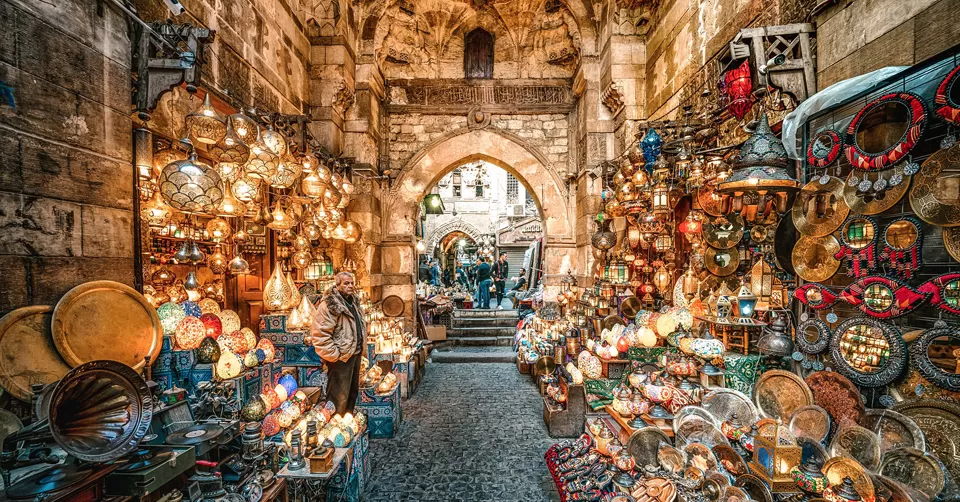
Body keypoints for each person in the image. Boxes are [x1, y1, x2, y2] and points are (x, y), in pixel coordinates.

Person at [309, 271, 366, 415]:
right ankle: (334, 425)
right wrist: (335, 355)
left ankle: (347, 423)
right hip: (341, 358)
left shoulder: (353, 301)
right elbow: (320, 334)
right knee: (338, 396)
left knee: (352, 392)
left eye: (352, 283)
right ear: (337, 285)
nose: (350, 286)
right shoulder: (330, 305)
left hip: (354, 353)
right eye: (346, 283)